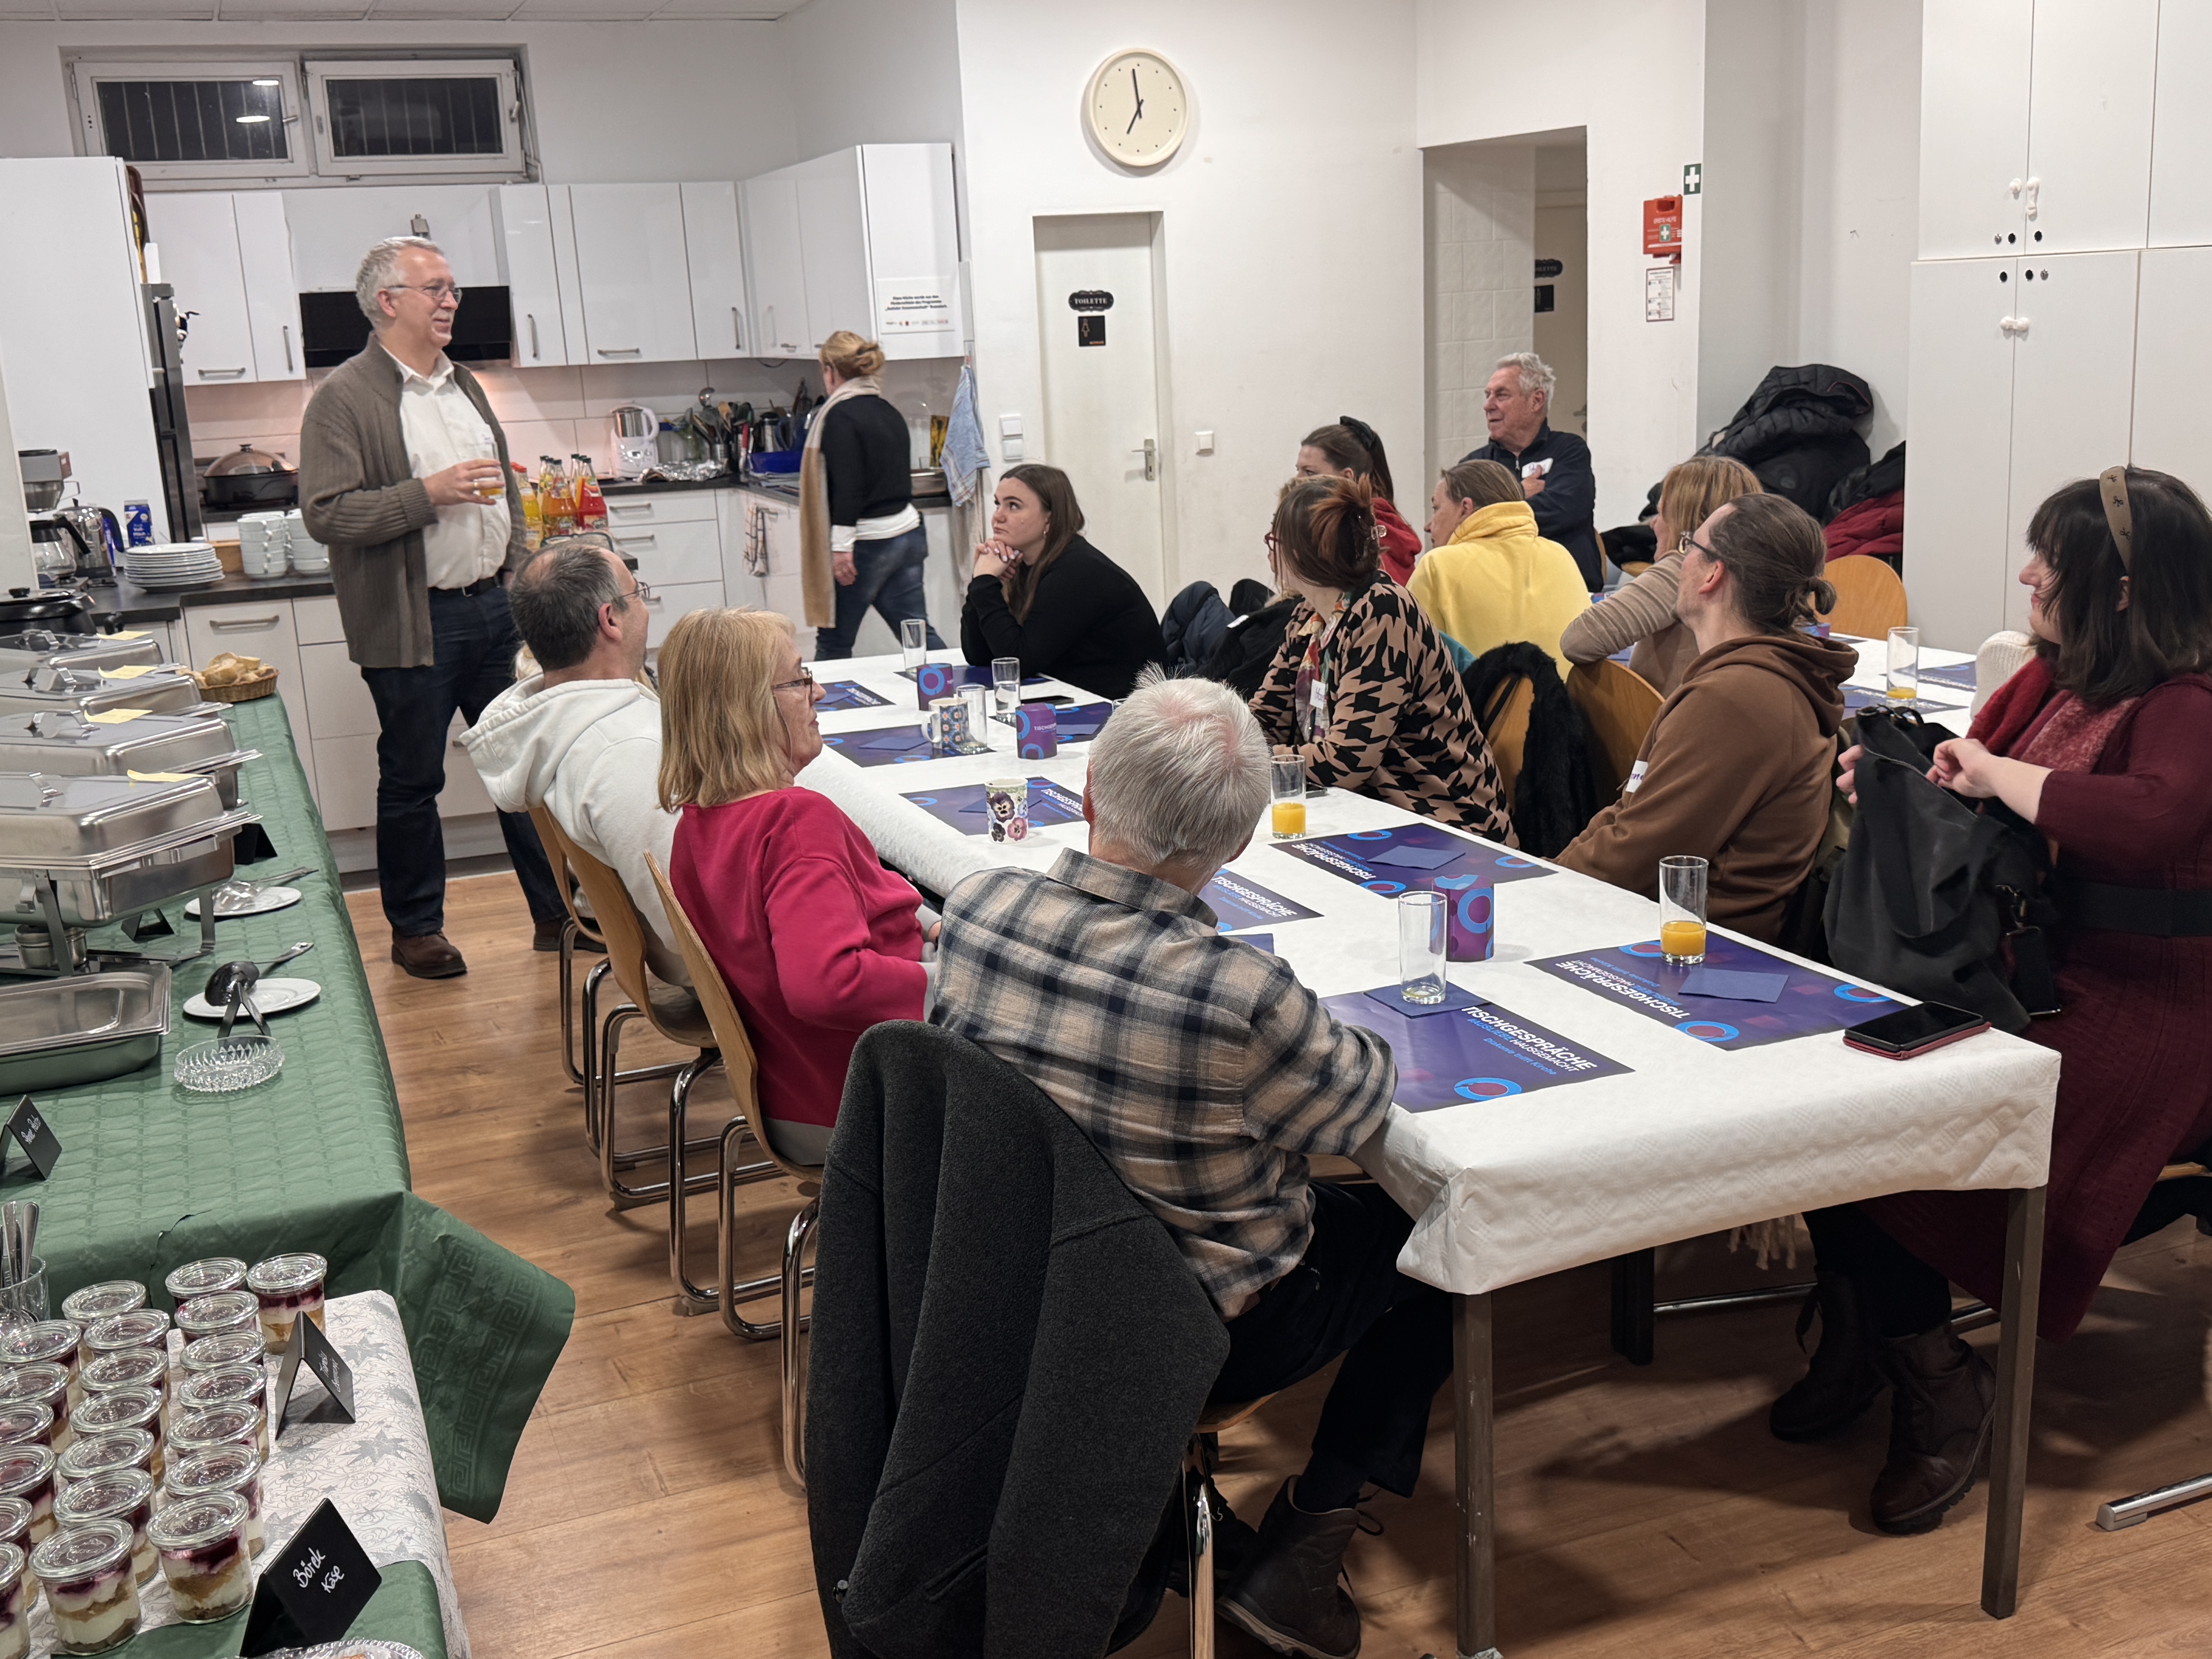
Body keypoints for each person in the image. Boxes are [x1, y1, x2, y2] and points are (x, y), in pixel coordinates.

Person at [930, 672, 1449, 1659]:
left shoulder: (978, 910)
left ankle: (1177, 1516)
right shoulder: (1242, 995)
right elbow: (1360, 1101)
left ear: (1087, 793)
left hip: (1014, 1290)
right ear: (1241, 843)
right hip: (1190, 1330)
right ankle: (1310, 1537)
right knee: (1433, 1245)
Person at [1779, 467, 2212, 1537]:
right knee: (1834, 1088)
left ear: (2116, 586)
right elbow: (1966, 781)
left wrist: (1988, 779)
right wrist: (1897, 780)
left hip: (2154, 1003)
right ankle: (1876, 1336)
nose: (2028, 575)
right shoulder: (2053, 679)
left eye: (2049, 561)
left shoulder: (2189, 703)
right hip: (2038, 970)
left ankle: (1933, 1369)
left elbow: (2154, 821)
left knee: (1910, 1125)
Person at [299, 235, 564, 979]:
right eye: (436, 289)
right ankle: (416, 929)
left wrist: (516, 569)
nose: (452, 301)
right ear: (389, 302)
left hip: (495, 609)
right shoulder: (343, 398)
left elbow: (504, 485)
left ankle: (558, 914)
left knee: (524, 766)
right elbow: (327, 513)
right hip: (413, 620)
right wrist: (430, 494)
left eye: (453, 289)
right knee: (414, 779)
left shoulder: (465, 384)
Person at [661, 608, 928, 1164]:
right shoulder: (794, 821)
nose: (821, 692)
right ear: (749, 707)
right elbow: (825, 985)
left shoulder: (699, 826)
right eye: (801, 678)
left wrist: (932, 923)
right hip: (865, 1098)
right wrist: (953, 980)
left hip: (791, 1094)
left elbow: (852, 896)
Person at [1553, 494, 1854, 941]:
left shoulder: (1736, 699)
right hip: (1677, 927)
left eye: (1690, 546)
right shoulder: (1754, 678)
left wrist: (1538, 888)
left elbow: (1636, 856)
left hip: (1694, 948)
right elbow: (1632, 817)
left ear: (1714, 573)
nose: (1680, 559)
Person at [462, 534, 687, 986]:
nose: (644, 608)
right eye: (637, 595)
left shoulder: (553, 724)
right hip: (709, 970)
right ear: (610, 621)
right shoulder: (626, 752)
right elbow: (688, 928)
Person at [1251, 474, 1512, 837]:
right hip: (1371, 817)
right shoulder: (1309, 615)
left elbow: (1347, 761)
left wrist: (1246, 762)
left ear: (1302, 554)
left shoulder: (1384, 612)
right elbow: (1264, 720)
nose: (1269, 550)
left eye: (1274, 540)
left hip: (1446, 823)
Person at [1560, 457, 1764, 695]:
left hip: (1671, 723)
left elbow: (1577, 642)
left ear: (1688, 521)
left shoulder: (1685, 570)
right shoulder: (1759, 574)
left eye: (1661, 514)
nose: (1654, 524)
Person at [962, 463, 1165, 699]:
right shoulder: (1025, 565)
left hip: (1126, 711)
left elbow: (1018, 664)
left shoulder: (1077, 571)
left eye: (1014, 506)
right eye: (998, 504)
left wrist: (986, 584)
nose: (998, 517)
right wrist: (982, 580)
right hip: (1078, 695)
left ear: (1050, 519)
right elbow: (979, 655)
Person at [802, 330, 946, 661]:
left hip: (867, 546)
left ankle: (825, 713)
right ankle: (959, 691)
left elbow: (850, 488)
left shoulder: (839, 417)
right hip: (907, 536)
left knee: (834, 644)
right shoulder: (887, 410)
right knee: (917, 634)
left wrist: (841, 548)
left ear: (831, 370)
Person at [1410, 457, 1590, 676]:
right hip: (1566, 707)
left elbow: (1403, 662)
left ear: (1465, 509)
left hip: (1481, 709)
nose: (1429, 525)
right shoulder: (1562, 556)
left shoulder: (1438, 565)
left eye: (1436, 508)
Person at [1460, 352, 1603, 590]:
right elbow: (1462, 525)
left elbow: (1564, 512)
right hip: (1498, 591)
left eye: (1501, 395)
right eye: (1488, 396)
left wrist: (1490, 514)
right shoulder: (1474, 466)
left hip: (1568, 589)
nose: (1488, 406)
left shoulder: (1570, 450)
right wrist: (1519, 493)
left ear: (1536, 401)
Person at [1295, 419, 1422, 584]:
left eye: (1310, 473)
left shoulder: (1364, 536)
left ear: (1347, 477)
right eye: (1298, 470)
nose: (1297, 481)